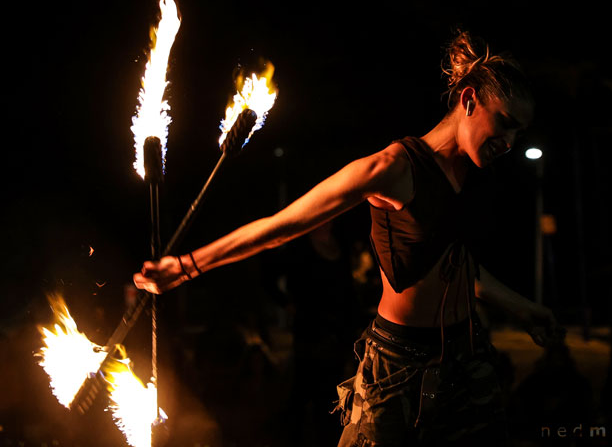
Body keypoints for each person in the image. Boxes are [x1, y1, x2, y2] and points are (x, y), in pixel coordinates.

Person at [134, 29, 562, 446]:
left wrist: (523, 308)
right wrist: (188, 266)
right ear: (469, 100)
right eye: (504, 124)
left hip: (467, 356)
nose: (508, 142)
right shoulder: (393, 168)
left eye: (517, 133)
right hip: (400, 365)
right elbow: (281, 226)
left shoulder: (467, 175)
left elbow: (455, 266)